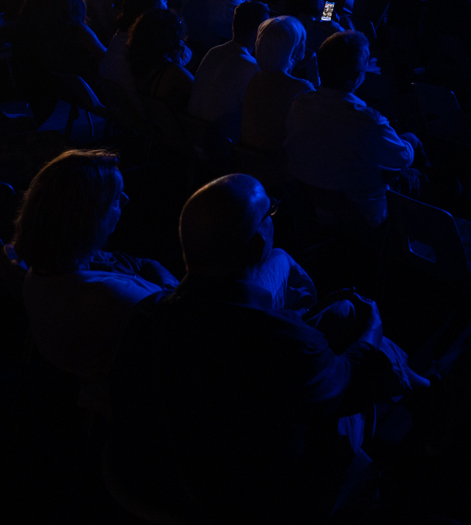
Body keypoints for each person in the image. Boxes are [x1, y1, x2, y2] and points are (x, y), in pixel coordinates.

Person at [107, 174, 425, 520]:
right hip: (263, 496)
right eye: (270, 214)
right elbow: (349, 382)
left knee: (342, 314)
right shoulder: (280, 342)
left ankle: (424, 388)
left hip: (169, 480)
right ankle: (425, 411)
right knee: (372, 356)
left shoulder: (147, 315)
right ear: (258, 244)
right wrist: (372, 329)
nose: (275, 217)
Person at [14, 149, 177, 413]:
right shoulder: (110, 296)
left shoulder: (46, 268)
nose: (125, 200)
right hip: (153, 400)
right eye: (115, 199)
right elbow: (182, 317)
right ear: (90, 216)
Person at [283, 32, 419, 228]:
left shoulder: (300, 103)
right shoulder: (367, 121)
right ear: (357, 76)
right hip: (361, 215)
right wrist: (410, 142)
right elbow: (402, 159)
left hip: (309, 205)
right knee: (415, 160)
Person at [190, 0, 267, 140]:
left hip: (192, 134)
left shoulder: (213, 52)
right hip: (220, 147)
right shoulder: (249, 65)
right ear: (258, 32)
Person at [243, 16, 315, 153]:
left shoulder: (253, 78)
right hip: (277, 166)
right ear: (297, 50)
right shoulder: (301, 89)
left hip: (247, 161)